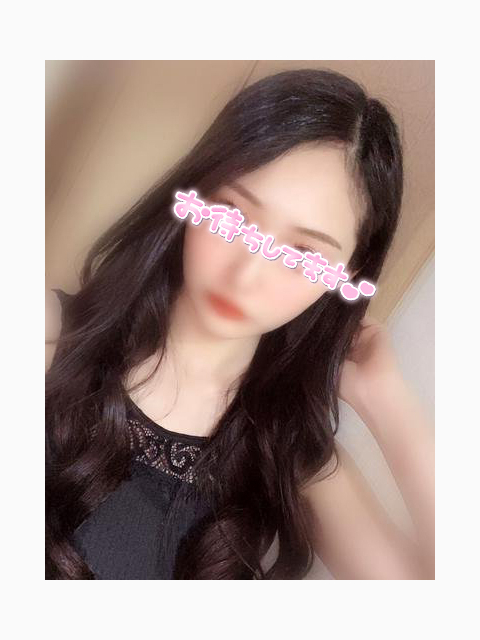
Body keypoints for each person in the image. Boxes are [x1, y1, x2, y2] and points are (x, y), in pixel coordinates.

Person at [45, 67, 434, 580]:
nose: (246, 274)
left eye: (302, 253)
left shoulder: (291, 456)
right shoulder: (49, 335)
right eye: (231, 215)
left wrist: (390, 404)